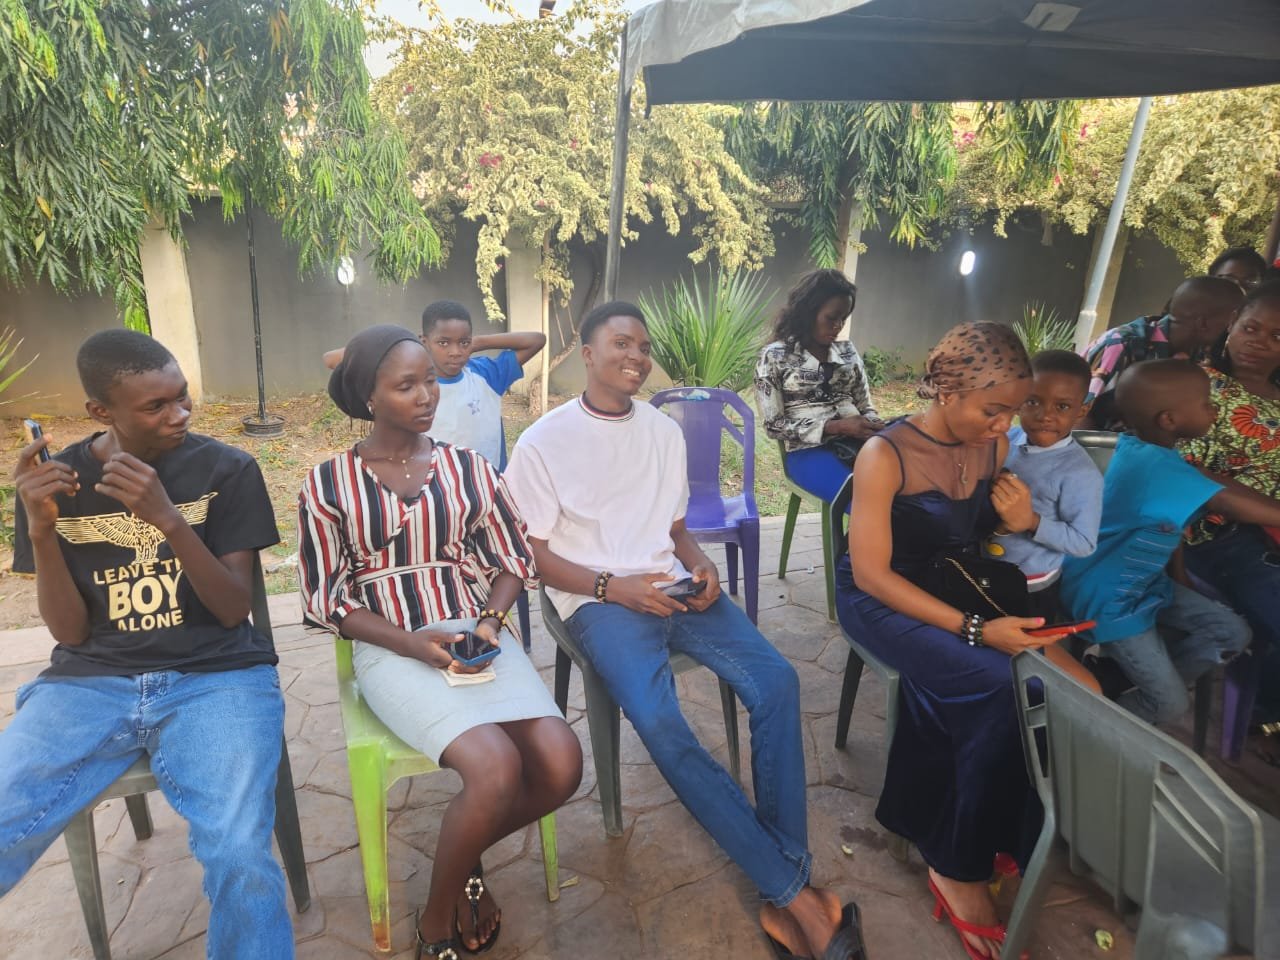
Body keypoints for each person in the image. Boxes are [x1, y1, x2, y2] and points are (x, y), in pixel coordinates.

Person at [504, 301, 865, 960]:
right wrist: (613, 587)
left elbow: (674, 531)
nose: (636, 357)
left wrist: (702, 566)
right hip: (597, 600)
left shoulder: (662, 432)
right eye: (621, 343)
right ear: (587, 353)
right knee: (662, 723)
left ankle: (784, 894)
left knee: (777, 682)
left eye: (643, 347)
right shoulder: (543, 442)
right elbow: (532, 554)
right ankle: (797, 899)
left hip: (671, 584)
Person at [1, 330, 292, 958]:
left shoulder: (226, 469)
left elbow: (232, 609)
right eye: (156, 406)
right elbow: (69, 633)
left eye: (182, 396)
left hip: (215, 677)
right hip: (90, 681)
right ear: (100, 411)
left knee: (240, 853)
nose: (179, 414)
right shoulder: (59, 483)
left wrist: (168, 518)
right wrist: (42, 533)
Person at [298, 325, 580, 960]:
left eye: (429, 380)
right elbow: (326, 599)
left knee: (562, 763)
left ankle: (463, 855)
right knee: (495, 767)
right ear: (368, 398)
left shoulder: (466, 467)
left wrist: (489, 623)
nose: (427, 395)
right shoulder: (327, 484)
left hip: (473, 631)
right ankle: (435, 919)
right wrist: (411, 644)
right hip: (390, 643)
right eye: (407, 385)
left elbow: (512, 558)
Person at [835, 321, 1064, 960]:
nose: (1006, 425)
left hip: (951, 580)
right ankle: (954, 865)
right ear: (946, 391)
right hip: (881, 596)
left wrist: (1016, 522)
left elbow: (974, 533)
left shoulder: (993, 446)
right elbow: (872, 574)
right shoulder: (885, 454)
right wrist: (976, 629)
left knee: (1047, 681)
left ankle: (999, 829)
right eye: (993, 410)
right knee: (997, 683)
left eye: (1013, 410)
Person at [1060, 359, 1280, 726]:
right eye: (1206, 404)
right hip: (1107, 598)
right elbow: (1226, 501)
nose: (1214, 411)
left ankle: (1121, 680)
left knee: (1231, 633)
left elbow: (1174, 519)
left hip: (1142, 584)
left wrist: (1178, 576)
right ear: (1169, 419)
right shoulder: (1159, 469)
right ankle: (1084, 729)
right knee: (1170, 707)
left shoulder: (1146, 451)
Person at [1180, 281, 1280, 726]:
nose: (1259, 342)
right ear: (1233, 323)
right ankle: (1265, 713)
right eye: (1252, 328)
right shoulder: (1199, 385)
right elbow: (1192, 478)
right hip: (1219, 535)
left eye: (1277, 336)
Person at [323, 299, 546, 468]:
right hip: (434, 492)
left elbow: (536, 340)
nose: (455, 352)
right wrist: (406, 344)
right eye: (444, 343)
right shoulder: (410, 385)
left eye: (463, 343)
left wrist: (476, 342)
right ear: (424, 341)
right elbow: (331, 359)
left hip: (488, 489)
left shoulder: (487, 374)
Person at [990, 350, 1102, 618]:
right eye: (1032, 402)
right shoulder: (1005, 441)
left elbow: (1083, 542)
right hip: (983, 569)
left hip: (1031, 585)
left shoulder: (1080, 474)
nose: (1045, 415)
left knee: (1020, 642)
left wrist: (1031, 521)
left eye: (1062, 406)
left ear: (1082, 410)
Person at [755, 269, 883, 502]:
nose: (838, 325)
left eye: (843, 318)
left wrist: (873, 426)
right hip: (808, 452)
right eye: (831, 318)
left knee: (907, 483)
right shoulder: (775, 356)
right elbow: (774, 426)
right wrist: (837, 427)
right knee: (866, 497)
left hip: (858, 444)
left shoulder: (847, 352)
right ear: (808, 313)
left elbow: (866, 407)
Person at [1080, 276, 1243, 430]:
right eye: (1232, 322)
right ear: (1203, 324)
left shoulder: (1202, 354)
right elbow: (1080, 417)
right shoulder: (1123, 344)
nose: (1234, 329)